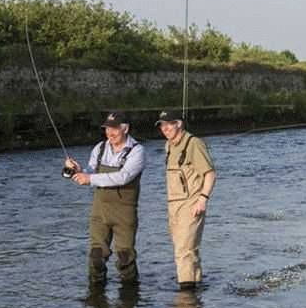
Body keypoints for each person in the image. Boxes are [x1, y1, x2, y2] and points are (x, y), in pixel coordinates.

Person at [65, 112, 146, 285]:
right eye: (107, 128)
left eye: (114, 128)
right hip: (99, 211)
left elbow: (123, 177)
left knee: (125, 258)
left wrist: (90, 179)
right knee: (96, 256)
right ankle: (95, 297)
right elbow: (90, 172)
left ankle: (130, 296)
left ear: (125, 128)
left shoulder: (137, 151)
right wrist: (78, 171)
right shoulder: (99, 148)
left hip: (124, 214)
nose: (110, 132)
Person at [155, 110, 216, 290]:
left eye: (169, 124)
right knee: (189, 251)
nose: (165, 129)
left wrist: (202, 200)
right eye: (162, 125)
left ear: (179, 124)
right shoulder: (169, 146)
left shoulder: (194, 144)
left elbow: (210, 174)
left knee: (183, 252)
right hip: (174, 206)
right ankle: (195, 294)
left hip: (191, 205)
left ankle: (186, 301)